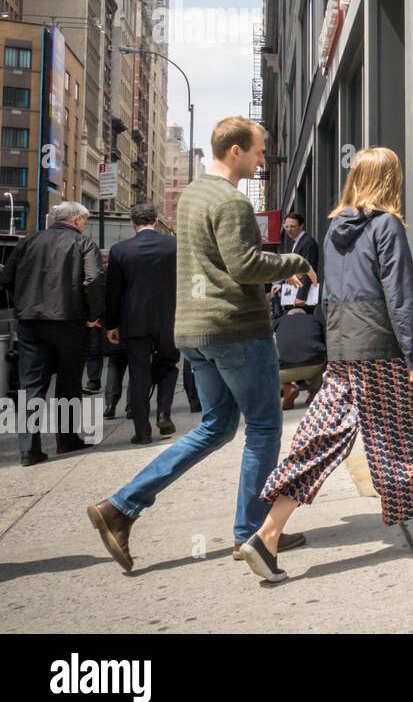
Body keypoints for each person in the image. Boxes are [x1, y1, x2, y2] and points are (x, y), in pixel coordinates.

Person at [87, 116, 317, 573]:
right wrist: (294, 261)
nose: (261, 158)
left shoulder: (192, 194)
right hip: (235, 330)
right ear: (235, 151)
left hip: (194, 332)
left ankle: (120, 507)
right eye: (258, 150)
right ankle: (252, 534)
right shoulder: (230, 202)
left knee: (214, 427)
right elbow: (244, 264)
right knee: (265, 428)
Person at [241, 146, 413, 583]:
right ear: (391, 181)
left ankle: (267, 534)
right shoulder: (387, 225)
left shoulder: (334, 230)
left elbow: (330, 295)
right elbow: (400, 295)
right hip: (382, 351)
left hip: (345, 351)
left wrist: (331, 346)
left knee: (321, 438)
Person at [0, 201, 104, 465]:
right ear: (78, 220)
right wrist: (93, 315)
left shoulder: (28, 241)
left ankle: (28, 448)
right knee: (69, 383)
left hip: (31, 322)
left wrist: (23, 303)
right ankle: (67, 440)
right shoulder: (84, 244)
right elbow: (93, 280)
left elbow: (6, 277)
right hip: (71, 322)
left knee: (31, 385)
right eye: (85, 220)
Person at [105, 202, 180, 444]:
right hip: (170, 319)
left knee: (138, 373)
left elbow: (113, 291)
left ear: (132, 223)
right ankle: (164, 412)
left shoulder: (119, 250)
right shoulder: (175, 245)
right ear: (156, 221)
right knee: (168, 364)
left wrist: (111, 325)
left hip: (133, 320)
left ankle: (142, 431)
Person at [274, 305, 326, 409]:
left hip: (284, 371)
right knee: (318, 354)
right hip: (313, 367)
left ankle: (287, 388)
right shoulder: (313, 320)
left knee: (271, 367)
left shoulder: (279, 321)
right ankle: (314, 393)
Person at [274, 212, 320, 312]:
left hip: (302, 298)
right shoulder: (295, 242)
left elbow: (308, 270)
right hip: (294, 294)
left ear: (301, 226)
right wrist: (282, 285)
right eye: (286, 226)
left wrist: (301, 296)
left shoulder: (307, 243)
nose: (289, 230)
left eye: (292, 226)